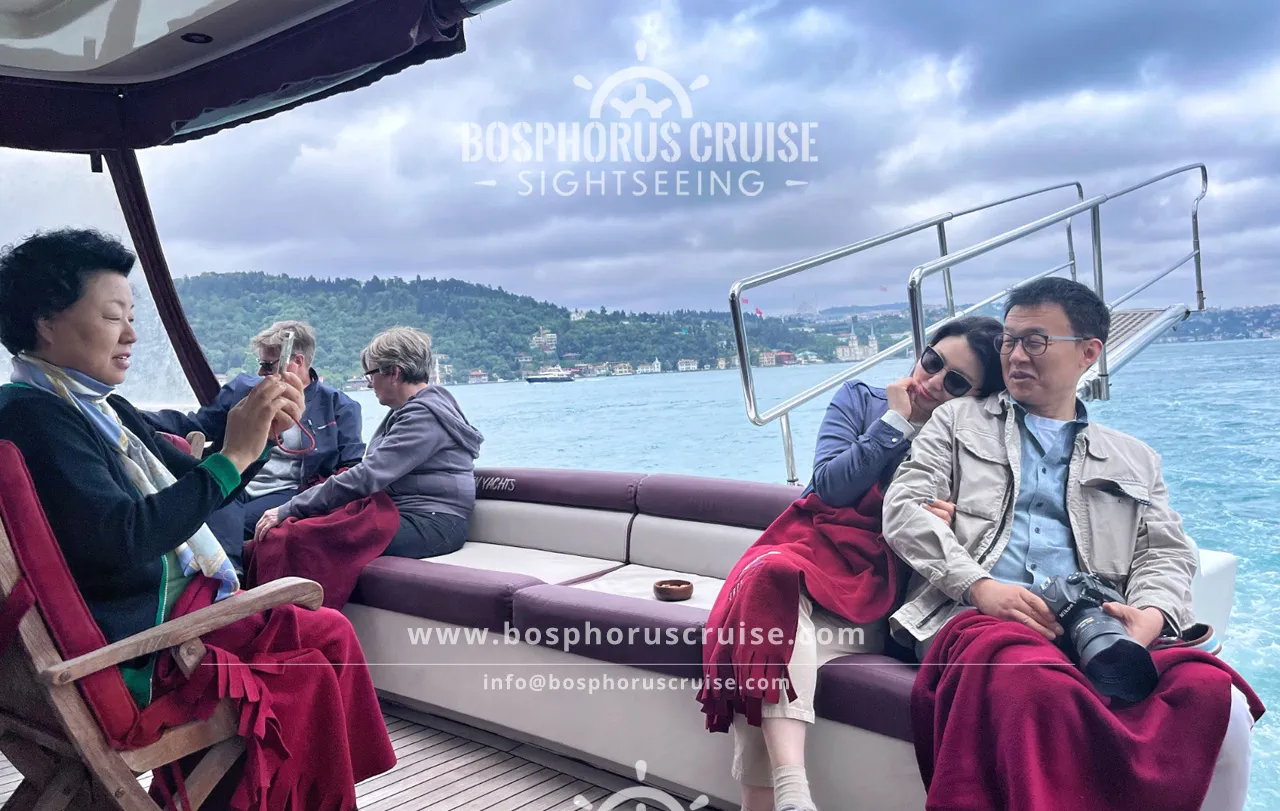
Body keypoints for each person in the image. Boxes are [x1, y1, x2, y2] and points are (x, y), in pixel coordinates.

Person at [0, 228, 395, 810]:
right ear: (45, 323)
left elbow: (202, 485)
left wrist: (257, 440)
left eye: (132, 317)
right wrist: (232, 455)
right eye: (112, 317)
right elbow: (127, 537)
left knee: (326, 635)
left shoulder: (91, 408)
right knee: (313, 657)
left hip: (123, 631)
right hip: (138, 647)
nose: (131, 334)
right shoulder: (38, 419)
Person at [881, 277, 1259, 810]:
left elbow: (1165, 552)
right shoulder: (956, 421)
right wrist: (980, 587)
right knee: (1034, 686)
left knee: (1216, 697)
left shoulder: (1135, 458)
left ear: (1088, 353)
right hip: (977, 618)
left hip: (1095, 625)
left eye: (1035, 341)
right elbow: (903, 508)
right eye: (1009, 341)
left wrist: (1150, 616)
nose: (1015, 356)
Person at [716, 315, 1006, 811]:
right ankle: (792, 793)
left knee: (762, 645)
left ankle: (783, 798)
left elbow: (970, 540)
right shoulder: (861, 400)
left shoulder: (968, 444)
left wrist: (944, 519)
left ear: (977, 396)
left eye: (956, 382)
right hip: (808, 562)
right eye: (932, 361)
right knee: (768, 603)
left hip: (878, 595)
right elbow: (829, 486)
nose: (933, 381)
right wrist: (894, 424)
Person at [144, 320, 364, 573]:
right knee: (213, 502)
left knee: (216, 516)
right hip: (238, 479)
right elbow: (195, 424)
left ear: (297, 361)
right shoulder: (243, 390)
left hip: (287, 491)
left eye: (268, 365)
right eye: (261, 363)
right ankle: (226, 580)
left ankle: (226, 577)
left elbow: (351, 468)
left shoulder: (339, 406)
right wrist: (130, 416)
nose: (260, 372)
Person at [254, 325, 483, 559]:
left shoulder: (423, 417)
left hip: (434, 523)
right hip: (410, 513)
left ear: (394, 373)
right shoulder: (414, 410)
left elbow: (367, 475)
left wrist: (290, 507)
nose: (369, 384)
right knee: (302, 528)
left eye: (371, 375)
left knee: (306, 538)